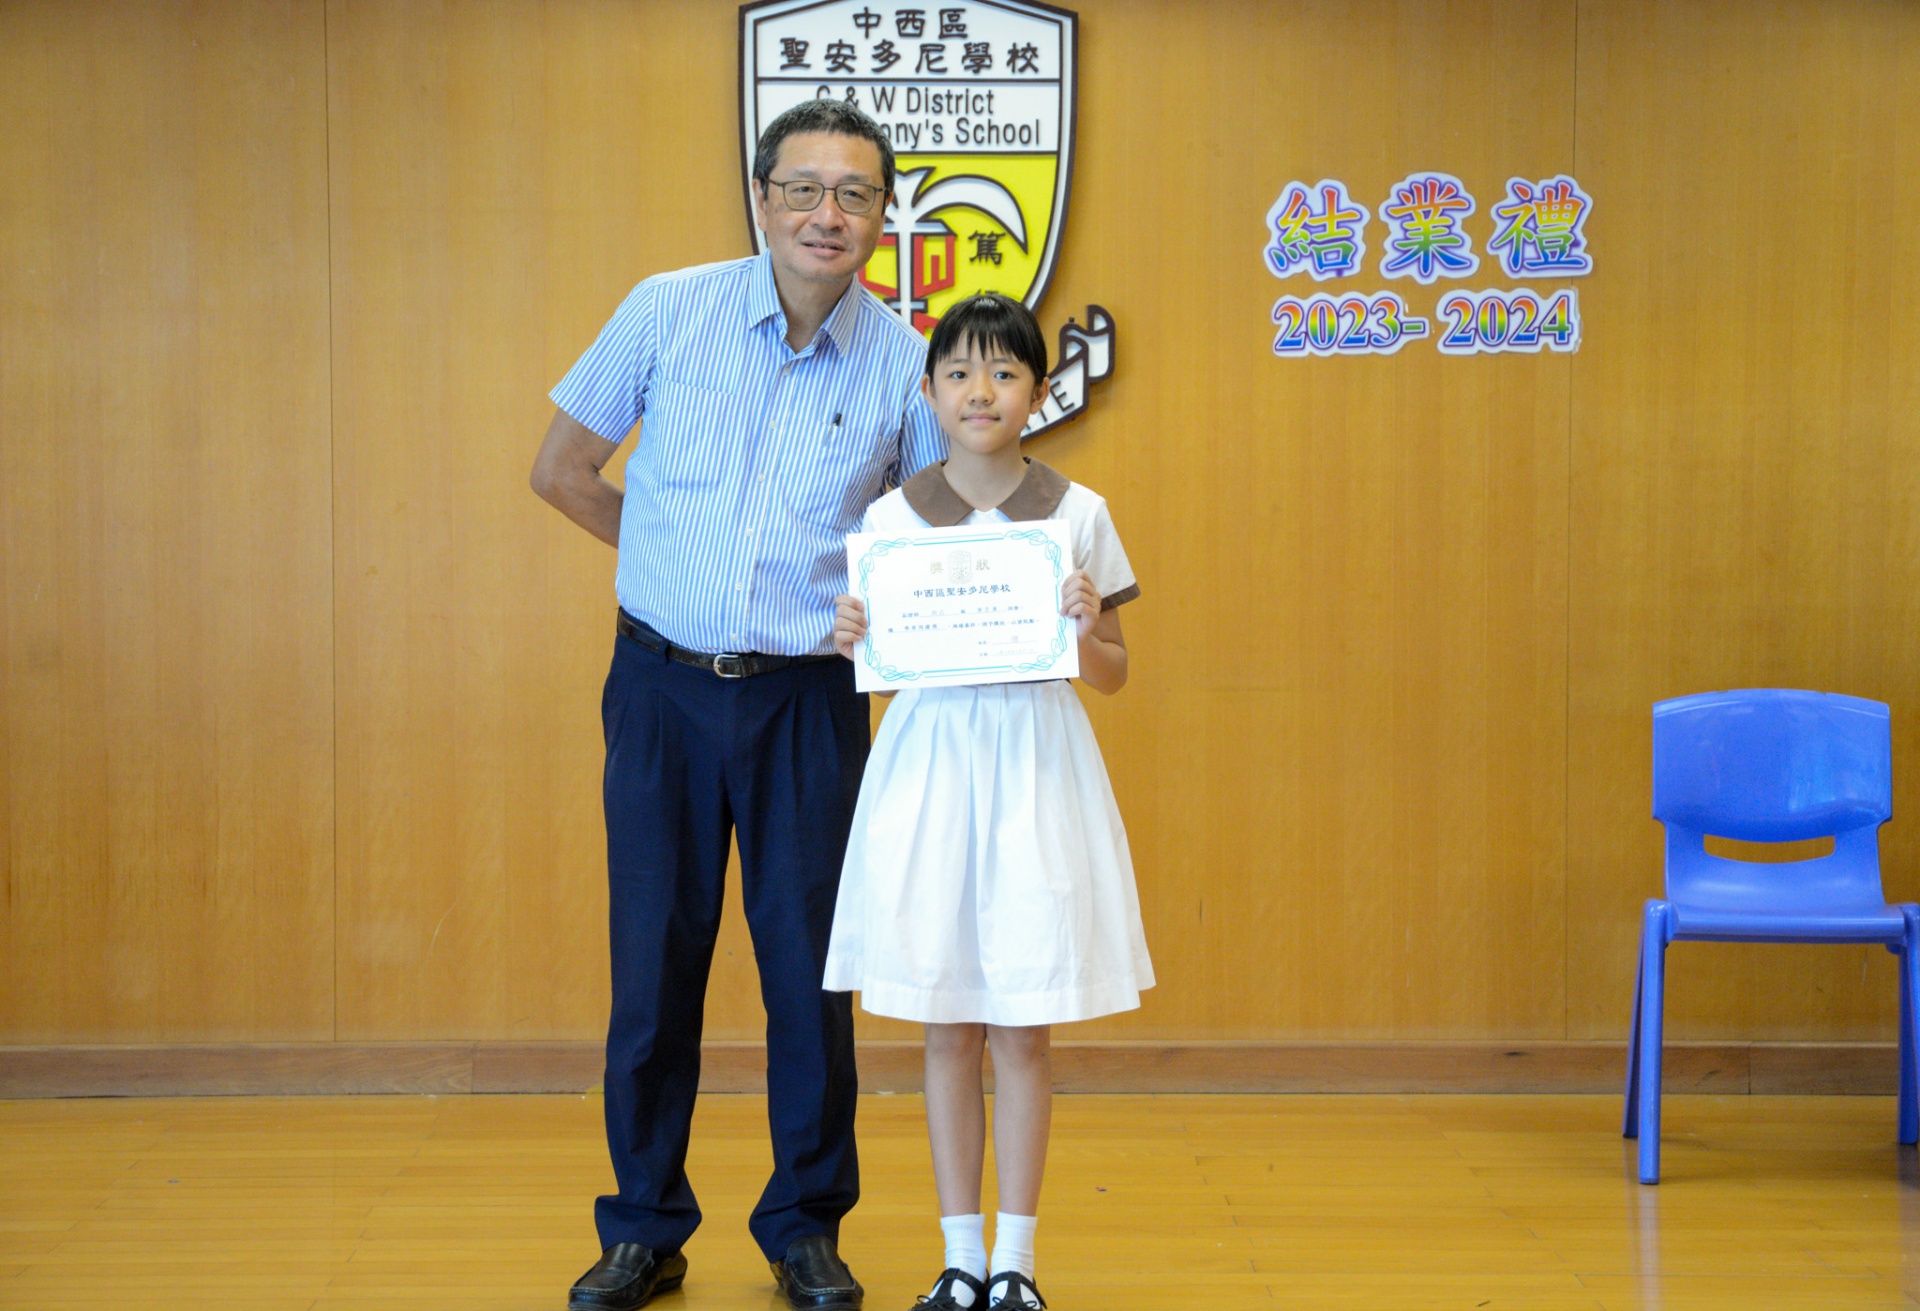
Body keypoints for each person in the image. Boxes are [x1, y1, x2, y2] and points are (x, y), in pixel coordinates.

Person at [530, 98, 945, 1311]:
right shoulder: (668, 310)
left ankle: (804, 1226)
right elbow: (562, 470)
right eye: (803, 188)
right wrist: (670, 563)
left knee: (811, 972)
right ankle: (643, 1228)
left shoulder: (904, 362)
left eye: (855, 194)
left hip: (808, 702)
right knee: (653, 961)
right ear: (763, 198)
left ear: (882, 217)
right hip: (660, 689)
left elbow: (929, 543)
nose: (828, 214)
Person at [824, 293, 1154, 1311]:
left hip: (1035, 769)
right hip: (930, 773)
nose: (982, 391)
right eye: (960, 373)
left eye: (1005, 372)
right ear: (929, 392)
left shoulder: (1077, 511)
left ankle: (1017, 1261)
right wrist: (858, 640)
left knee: (1021, 1025)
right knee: (946, 1023)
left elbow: (1113, 674)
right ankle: (959, 1258)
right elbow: (889, 675)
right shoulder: (889, 520)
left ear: (1038, 392)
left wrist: (1089, 626)